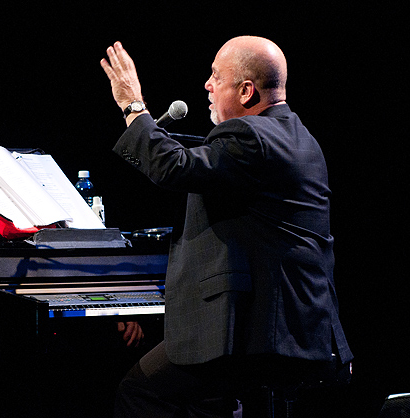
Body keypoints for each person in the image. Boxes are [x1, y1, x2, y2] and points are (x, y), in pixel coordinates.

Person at [100, 36, 353, 417]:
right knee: (207, 403)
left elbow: (176, 167)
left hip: (262, 332)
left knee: (139, 391)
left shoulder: (251, 137)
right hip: (301, 325)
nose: (207, 85)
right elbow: (204, 160)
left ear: (247, 91)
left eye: (216, 76)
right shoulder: (297, 136)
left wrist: (133, 107)